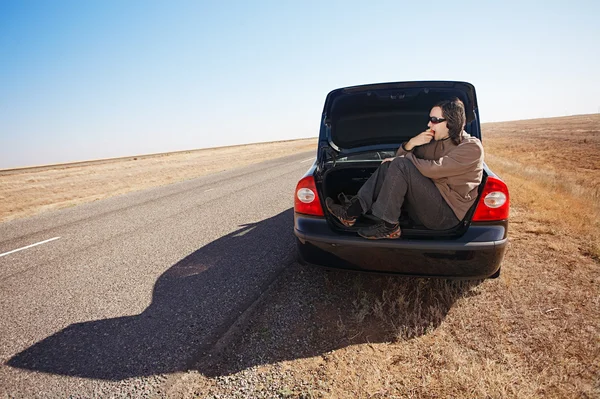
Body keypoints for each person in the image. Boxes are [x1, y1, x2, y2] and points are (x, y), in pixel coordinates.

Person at [325, 98, 484, 239]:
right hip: (424, 205)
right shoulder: (434, 143)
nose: (429, 124)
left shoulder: (471, 147)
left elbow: (432, 169)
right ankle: (351, 212)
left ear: (451, 121)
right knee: (390, 164)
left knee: (400, 163)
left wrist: (402, 159)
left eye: (435, 120)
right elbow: (401, 158)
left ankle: (389, 226)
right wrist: (412, 143)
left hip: (446, 215)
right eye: (430, 119)